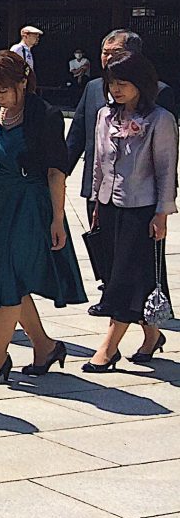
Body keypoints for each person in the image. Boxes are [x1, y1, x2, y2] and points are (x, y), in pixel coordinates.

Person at [0, 51, 86, 383]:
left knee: (6, 278)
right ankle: (45, 346)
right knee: (8, 279)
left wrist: (57, 219)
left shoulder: (45, 116)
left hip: (28, 206)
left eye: (3, 89)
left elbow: (56, 171)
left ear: (23, 81)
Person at [85, 50, 174, 369]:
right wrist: (95, 200)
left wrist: (162, 213)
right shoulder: (104, 116)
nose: (116, 90)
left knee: (124, 278)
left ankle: (108, 349)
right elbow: (97, 161)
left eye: (123, 83)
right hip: (109, 205)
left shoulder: (160, 119)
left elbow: (166, 170)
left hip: (142, 207)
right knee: (125, 275)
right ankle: (152, 336)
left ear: (141, 83)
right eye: (112, 83)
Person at [65, 30, 177, 208]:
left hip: (140, 195)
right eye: (105, 52)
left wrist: (164, 202)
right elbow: (76, 137)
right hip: (99, 189)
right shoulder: (93, 88)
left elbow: (166, 155)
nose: (108, 58)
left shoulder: (159, 92)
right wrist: (59, 173)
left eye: (115, 53)